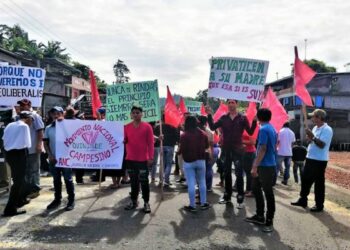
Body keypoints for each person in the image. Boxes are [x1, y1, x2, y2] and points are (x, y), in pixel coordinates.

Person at [206, 99, 257, 207]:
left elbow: (250, 132)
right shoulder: (223, 118)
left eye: (233, 102)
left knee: (239, 174)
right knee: (226, 173)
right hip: (226, 150)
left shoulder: (243, 118)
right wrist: (209, 114)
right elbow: (212, 127)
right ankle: (227, 196)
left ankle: (240, 197)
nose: (230, 104)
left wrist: (255, 121)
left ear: (237, 104)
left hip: (238, 150)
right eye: (229, 103)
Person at [291, 109, 333, 212]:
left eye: (313, 116)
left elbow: (322, 145)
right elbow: (312, 142)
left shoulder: (327, 129)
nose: (311, 118)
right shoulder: (315, 128)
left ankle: (319, 205)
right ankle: (303, 199)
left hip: (319, 160)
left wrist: (312, 137)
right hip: (310, 157)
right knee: (305, 180)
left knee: (318, 183)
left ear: (319, 118)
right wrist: (310, 139)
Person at [245, 108, 277, 233]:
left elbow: (263, 148)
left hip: (265, 166)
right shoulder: (271, 128)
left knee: (268, 193)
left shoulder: (263, 129)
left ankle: (269, 220)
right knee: (256, 188)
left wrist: (255, 166)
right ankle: (259, 215)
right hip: (267, 164)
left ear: (258, 117)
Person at [44, 107, 75, 211]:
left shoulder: (69, 126)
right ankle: (57, 199)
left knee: (68, 179)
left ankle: (71, 200)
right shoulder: (48, 128)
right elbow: (45, 143)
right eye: (54, 114)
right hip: (54, 159)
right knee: (56, 180)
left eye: (58, 113)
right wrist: (50, 155)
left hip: (66, 158)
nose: (56, 115)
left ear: (63, 114)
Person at [2, 111, 32, 216]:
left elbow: (3, 139)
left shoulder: (10, 125)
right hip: (19, 154)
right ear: (28, 118)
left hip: (8, 154)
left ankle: (19, 201)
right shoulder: (24, 127)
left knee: (18, 179)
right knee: (18, 182)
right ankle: (10, 209)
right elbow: (28, 143)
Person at [124, 106, 153, 213]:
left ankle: (146, 202)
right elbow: (124, 140)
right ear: (131, 115)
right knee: (133, 182)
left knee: (144, 182)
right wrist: (123, 141)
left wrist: (151, 157)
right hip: (130, 159)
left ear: (142, 114)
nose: (135, 114)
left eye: (137, 112)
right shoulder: (126, 127)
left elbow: (150, 143)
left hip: (143, 160)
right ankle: (133, 201)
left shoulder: (147, 127)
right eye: (134, 113)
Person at [179, 115, 210, 212]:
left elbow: (181, 149)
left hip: (188, 162)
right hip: (201, 160)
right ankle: (204, 203)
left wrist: (179, 152)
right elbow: (207, 146)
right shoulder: (203, 134)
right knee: (202, 182)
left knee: (191, 183)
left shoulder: (184, 135)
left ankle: (192, 205)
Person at [17, 99, 44, 199]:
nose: (23, 107)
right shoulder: (18, 117)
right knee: (25, 170)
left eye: (25, 105)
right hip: (22, 149)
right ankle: (27, 189)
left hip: (33, 148)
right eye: (21, 105)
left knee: (34, 169)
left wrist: (39, 145)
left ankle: (35, 189)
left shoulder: (35, 116)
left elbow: (40, 131)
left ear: (29, 106)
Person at [153, 115, 180, 187]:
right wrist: (177, 142)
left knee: (162, 163)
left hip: (161, 146)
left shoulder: (158, 127)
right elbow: (177, 137)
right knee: (168, 164)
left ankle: (161, 180)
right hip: (170, 146)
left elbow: (154, 136)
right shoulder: (173, 126)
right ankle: (166, 180)